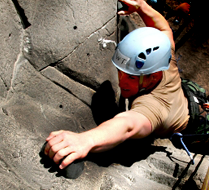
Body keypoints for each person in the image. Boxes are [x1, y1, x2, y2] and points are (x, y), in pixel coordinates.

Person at [44, 0, 190, 170]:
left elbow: (127, 125)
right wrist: (141, 6)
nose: (122, 81)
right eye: (120, 71)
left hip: (193, 129)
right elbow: (165, 30)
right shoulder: (163, 57)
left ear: (153, 76)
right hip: (183, 96)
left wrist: (86, 140)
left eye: (132, 77)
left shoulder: (154, 108)